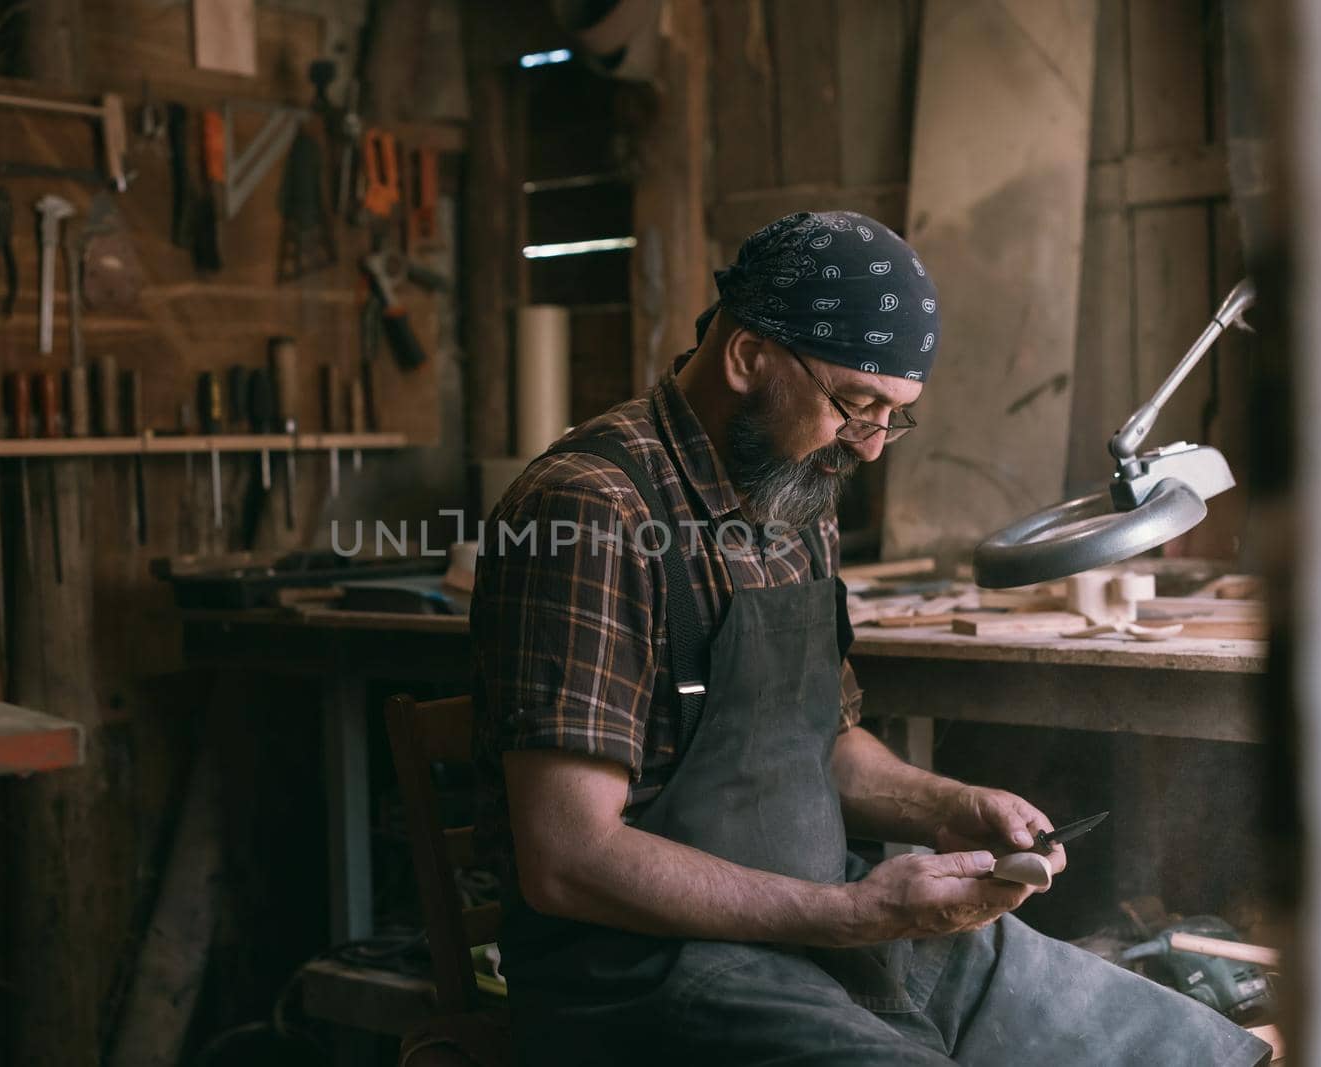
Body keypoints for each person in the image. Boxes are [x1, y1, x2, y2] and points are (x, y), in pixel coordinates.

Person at [469, 211, 1269, 1066]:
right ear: (748, 358)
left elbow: (824, 746)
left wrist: (947, 804)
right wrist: (852, 914)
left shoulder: (793, 483)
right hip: (641, 970)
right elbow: (567, 856)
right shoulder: (591, 510)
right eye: (858, 405)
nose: (875, 447)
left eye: (896, 415)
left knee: (1183, 1051)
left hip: (823, 924)